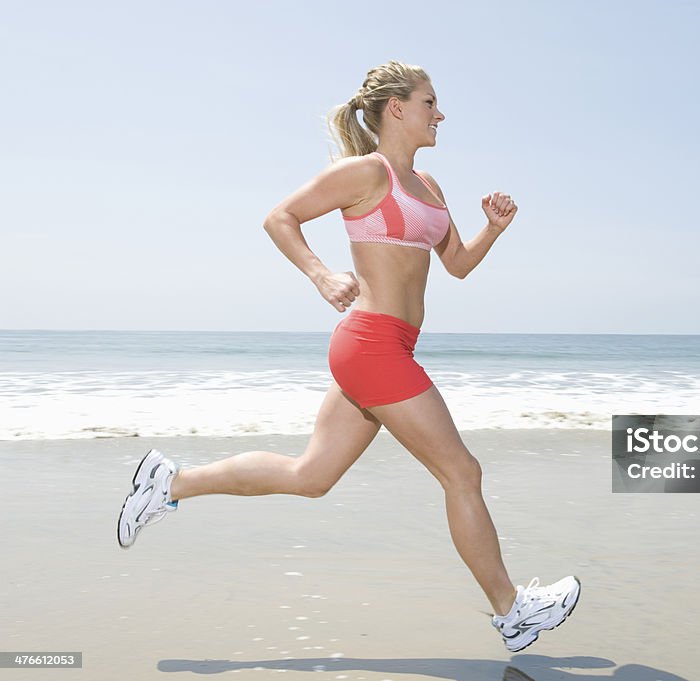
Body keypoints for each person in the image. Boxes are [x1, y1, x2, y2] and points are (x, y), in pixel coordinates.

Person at [116, 60, 580, 653]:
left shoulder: (431, 187)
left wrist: (492, 229)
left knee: (311, 477)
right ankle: (511, 610)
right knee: (462, 473)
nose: (440, 113)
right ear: (397, 109)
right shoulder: (365, 173)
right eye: (430, 102)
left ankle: (169, 483)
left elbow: (457, 264)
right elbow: (278, 217)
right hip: (372, 343)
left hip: (387, 348)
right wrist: (319, 274)